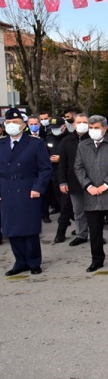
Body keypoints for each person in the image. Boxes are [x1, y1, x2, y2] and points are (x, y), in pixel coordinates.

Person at [0, 108, 52, 276]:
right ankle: (20, 261)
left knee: (29, 228)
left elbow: (45, 168)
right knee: (12, 228)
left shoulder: (35, 143)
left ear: (23, 126)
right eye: (8, 123)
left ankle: (33, 261)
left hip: (28, 188)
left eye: (14, 123)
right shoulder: (1, 144)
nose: (11, 126)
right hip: (7, 189)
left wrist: (38, 187)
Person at [74, 115, 108, 272]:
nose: (93, 131)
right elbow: (78, 167)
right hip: (91, 195)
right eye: (91, 128)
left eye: (96, 128)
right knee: (95, 231)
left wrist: (105, 185)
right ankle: (97, 260)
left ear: (105, 128)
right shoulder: (83, 145)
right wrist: (88, 186)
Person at [58, 114, 91, 247]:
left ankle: (96, 235)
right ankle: (81, 234)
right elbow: (62, 164)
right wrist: (62, 182)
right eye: (79, 122)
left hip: (93, 182)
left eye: (85, 122)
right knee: (78, 211)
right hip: (74, 182)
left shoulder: (94, 139)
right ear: (74, 124)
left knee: (95, 211)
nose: (82, 124)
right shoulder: (66, 141)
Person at [46, 116, 73, 243]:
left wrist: (61, 158)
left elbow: (74, 157)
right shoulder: (49, 137)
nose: (55, 130)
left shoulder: (70, 139)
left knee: (65, 205)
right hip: (54, 175)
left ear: (64, 126)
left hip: (68, 175)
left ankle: (61, 231)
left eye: (57, 127)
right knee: (63, 203)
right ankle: (80, 226)